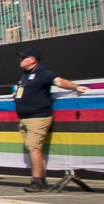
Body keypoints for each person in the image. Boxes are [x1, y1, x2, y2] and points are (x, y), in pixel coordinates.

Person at [13, 50, 86, 192]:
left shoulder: (42, 71)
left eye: (23, 58)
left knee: (34, 148)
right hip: (26, 117)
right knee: (35, 149)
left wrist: (75, 87)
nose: (20, 60)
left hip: (38, 117)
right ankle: (41, 179)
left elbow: (59, 81)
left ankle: (37, 182)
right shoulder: (25, 75)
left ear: (32, 59)